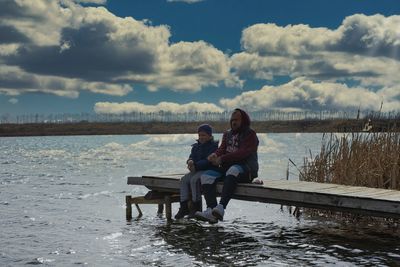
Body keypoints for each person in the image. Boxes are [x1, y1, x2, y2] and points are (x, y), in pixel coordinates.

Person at [195, 109, 259, 224]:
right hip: (227, 169)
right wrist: (215, 155)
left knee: (233, 169)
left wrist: (222, 159)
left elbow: (243, 152)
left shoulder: (250, 134)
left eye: (237, 120)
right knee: (206, 176)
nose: (234, 122)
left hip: (246, 169)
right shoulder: (227, 133)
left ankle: (221, 207)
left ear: (243, 120)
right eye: (232, 120)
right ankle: (211, 211)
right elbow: (222, 149)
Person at [174, 124, 219, 219]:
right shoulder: (196, 146)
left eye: (204, 135)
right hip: (196, 169)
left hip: (208, 170)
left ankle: (196, 206)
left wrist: (196, 166)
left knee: (194, 180)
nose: (201, 137)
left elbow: (208, 160)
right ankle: (184, 206)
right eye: (199, 135)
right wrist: (190, 161)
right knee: (183, 180)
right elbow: (192, 156)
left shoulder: (213, 146)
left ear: (210, 136)